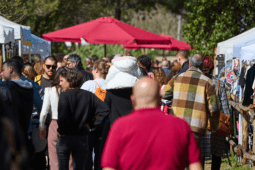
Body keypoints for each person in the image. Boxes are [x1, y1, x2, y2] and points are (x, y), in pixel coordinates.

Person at [101, 77, 203, 170]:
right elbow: (195, 165)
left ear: (133, 100)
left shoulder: (120, 126)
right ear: (159, 99)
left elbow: (109, 166)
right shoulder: (181, 125)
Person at [162, 54, 220, 152]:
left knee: (179, 157)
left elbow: (164, 93)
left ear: (189, 64)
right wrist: (214, 126)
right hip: (196, 127)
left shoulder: (177, 78)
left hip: (178, 125)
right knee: (194, 159)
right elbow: (214, 108)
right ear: (202, 66)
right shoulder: (208, 82)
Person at [57, 68, 110, 170]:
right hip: (82, 137)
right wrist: (92, 125)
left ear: (69, 80)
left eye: (62, 81)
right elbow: (105, 110)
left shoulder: (64, 95)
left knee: (63, 167)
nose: (60, 84)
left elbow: (62, 116)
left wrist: (61, 131)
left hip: (66, 137)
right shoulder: (88, 95)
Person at [200, 56, 231, 170]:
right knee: (216, 156)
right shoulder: (219, 84)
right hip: (216, 124)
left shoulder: (197, 82)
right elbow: (225, 109)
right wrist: (227, 124)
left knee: (201, 156)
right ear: (212, 68)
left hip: (201, 124)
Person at [39, 68, 73, 170]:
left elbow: (44, 112)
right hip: (69, 124)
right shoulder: (71, 91)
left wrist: (41, 127)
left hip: (54, 124)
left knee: (53, 158)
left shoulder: (49, 90)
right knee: (70, 159)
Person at [0, 59, 34, 159]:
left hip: (10, 143)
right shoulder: (29, 87)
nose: (1, 73)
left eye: (2, 70)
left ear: (10, 69)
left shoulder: (7, 89)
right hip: (25, 136)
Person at [81, 60, 110, 170]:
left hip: (90, 123)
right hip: (106, 122)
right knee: (101, 153)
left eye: (92, 69)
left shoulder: (89, 84)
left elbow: (81, 104)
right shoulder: (110, 85)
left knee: (87, 154)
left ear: (96, 70)